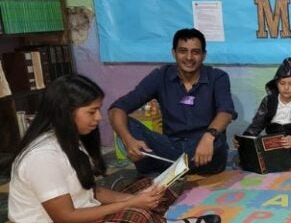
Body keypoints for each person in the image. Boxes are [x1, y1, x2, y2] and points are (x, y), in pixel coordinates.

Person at [4, 75, 175, 223]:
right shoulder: (42, 158)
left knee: (149, 186)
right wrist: (130, 204)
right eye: (92, 112)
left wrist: (137, 199)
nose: (99, 117)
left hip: (85, 210)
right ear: (66, 112)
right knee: (139, 214)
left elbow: (91, 192)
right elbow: (65, 218)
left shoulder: (71, 140)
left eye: (98, 110)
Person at [109, 28, 236, 176]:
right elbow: (116, 109)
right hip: (171, 147)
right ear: (174, 53)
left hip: (204, 151)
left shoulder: (217, 77)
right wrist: (128, 140)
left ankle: (162, 171)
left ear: (203, 55)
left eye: (195, 52)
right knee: (127, 125)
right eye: (183, 51)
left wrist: (208, 137)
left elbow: (226, 112)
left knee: (217, 139)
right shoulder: (160, 76)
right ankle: (171, 169)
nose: (189, 57)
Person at [241, 57, 291, 167]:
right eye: (282, 83)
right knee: (253, 147)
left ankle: (273, 161)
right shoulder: (269, 100)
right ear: (276, 83)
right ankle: (283, 160)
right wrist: (245, 140)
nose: (286, 87)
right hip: (273, 141)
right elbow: (257, 124)